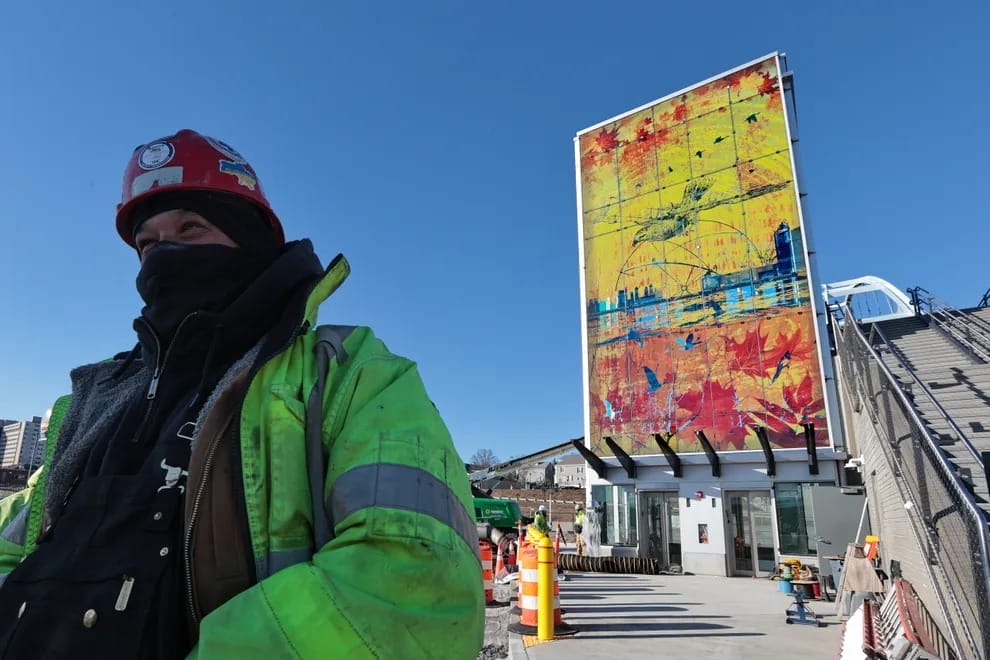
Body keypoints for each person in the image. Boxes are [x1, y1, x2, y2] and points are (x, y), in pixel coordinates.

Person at [0, 129, 484, 659]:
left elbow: (417, 579)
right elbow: (13, 550)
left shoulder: (345, 372)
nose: (165, 256)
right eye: (149, 243)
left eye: (191, 228)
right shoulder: (96, 400)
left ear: (248, 241)